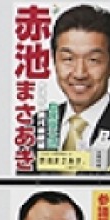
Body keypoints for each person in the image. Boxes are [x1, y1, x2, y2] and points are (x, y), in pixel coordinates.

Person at [46, 5, 110, 158]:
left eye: (93, 60)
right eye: (68, 59)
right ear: (54, 60)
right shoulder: (36, 128)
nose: (80, 73)